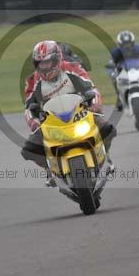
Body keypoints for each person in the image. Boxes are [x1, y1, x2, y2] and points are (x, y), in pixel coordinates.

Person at [21, 40, 116, 186]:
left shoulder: (73, 68)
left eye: (47, 62)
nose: (44, 67)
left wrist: (94, 106)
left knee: (107, 129)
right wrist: (34, 122)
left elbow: (92, 88)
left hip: (80, 113)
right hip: (51, 121)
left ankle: (106, 157)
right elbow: (28, 106)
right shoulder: (33, 80)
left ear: (57, 58)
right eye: (41, 63)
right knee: (29, 149)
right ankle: (49, 169)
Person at [108, 30, 139, 111]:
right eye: (125, 44)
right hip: (122, 72)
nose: (127, 46)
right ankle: (119, 98)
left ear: (133, 43)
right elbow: (110, 64)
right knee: (115, 80)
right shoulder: (116, 52)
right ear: (120, 45)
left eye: (129, 43)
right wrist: (112, 73)